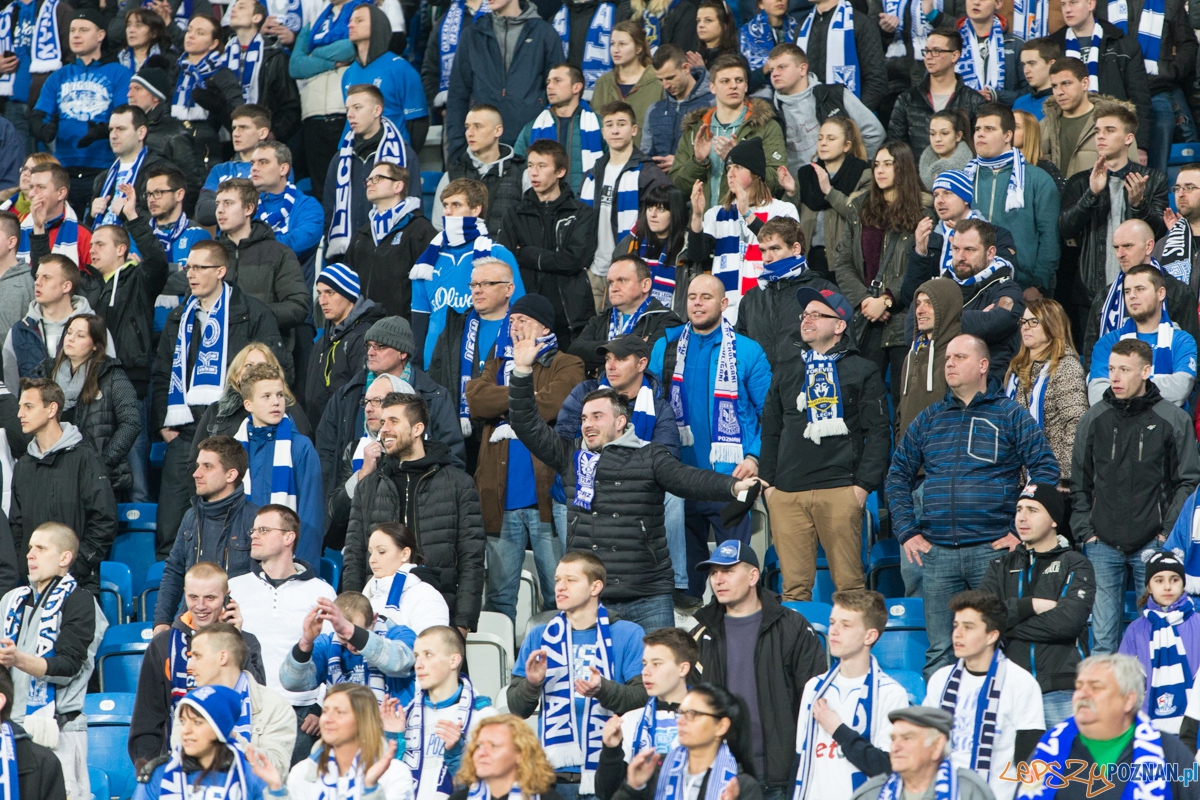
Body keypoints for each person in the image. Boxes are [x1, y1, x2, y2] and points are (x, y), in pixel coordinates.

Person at [509, 334, 758, 632]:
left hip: (648, 596)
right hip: (592, 599)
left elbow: (687, 478)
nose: (588, 423)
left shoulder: (650, 456)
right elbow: (526, 424)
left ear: (619, 423)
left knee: (657, 675)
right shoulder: (570, 456)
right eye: (585, 418)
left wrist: (732, 487)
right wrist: (522, 372)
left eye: (597, 416)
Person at [886, 333, 1059, 674]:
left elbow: (1045, 469)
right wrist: (907, 531)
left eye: (959, 357)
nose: (949, 363)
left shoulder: (1010, 414)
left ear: (982, 365)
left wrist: (1018, 531)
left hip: (993, 552)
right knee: (940, 651)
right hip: (938, 555)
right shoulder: (930, 417)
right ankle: (939, 727)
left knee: (998, 644)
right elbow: (897, 475)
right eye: (947, 358)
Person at [152, 240, 288, 558]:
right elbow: (161, 373)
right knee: (172, 529)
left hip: (232, 429)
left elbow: (276, 372)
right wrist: (165, 423)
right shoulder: (178, 318)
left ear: (221, 271)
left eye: (200, 267)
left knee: (232, 526)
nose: (191, 273)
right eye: (188, 267)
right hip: (184, 431)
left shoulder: (252, 313)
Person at [1071, 338, 1200, 654]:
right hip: (1101, 544)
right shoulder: (1093, 418)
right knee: (1102, 641)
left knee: (1160, 635)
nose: (1114, 377)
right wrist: (1086, 532)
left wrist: (1166, 533)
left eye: (1124, 370)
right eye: (1111, 369)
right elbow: (1079, 483)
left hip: (1153, 544)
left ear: (1146, 371)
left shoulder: (1173, 419)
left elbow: (1187, 481)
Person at [760, 287, 889, 601]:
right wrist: (770, 487)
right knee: (792, 591)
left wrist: (862, 487)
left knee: (851, 589)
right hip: (788, 494)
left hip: (840, 490)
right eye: (805, 315)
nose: (807, 320)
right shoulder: (787, 370)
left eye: (818, 315)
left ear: (840, 325)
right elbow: (771, 430)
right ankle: (798, 651)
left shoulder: (862, 370)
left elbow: (879, 431)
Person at [648, 273, 771, 595]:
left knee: (732, 575)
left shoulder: (748, 350)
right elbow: (651, 406)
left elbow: (770, 415)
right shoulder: (666, 346)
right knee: (684, 585)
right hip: (679, 479)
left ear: (724, 303)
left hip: (731, 479)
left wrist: (754, 456)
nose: (698, 303)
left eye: (706, 297)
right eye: (692, 297)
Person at [467, 294, 584, 622]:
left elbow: (554, 405)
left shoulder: (566, 362)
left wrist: (507, 401)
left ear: (544, 326)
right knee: (500, 598)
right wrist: (524, 395)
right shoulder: (497, 363)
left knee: (558, 594)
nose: (514, 326)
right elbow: (476, 401)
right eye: (512, 320)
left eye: (523, 320)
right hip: (500, 501)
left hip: (547, 501)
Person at [552, 335, 686, 602]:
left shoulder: (659, 407)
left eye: (620, 359)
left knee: (674, 495)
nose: (610, 366)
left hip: (633, 490)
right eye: (608, 359)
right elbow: (565, 442)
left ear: (641, 364)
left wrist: (624, 468)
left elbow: (667, 459)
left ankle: (678, 586)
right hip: (585, 483)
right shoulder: (584, 393)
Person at [689, 541, 827, 798]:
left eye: (728, 571)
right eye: (713, 573)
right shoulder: (701, 633)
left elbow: (813, 699)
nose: (718, 580)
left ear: (753, 576)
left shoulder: (793, 628)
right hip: (720, 772)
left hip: (779, 773)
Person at [506, 551, 648, 796]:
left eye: (571, 580)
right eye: (558, 580)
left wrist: (604, 689)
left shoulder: (628, 633)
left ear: (595, 587)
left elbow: (643, 697)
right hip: (553, 779)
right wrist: (532, 684)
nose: (560, 587)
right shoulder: (539, 637)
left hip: (609, 776)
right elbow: (518, 709)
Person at [344, 392, 486, 634]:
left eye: (394, 421)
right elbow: (355, 555)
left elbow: (472, 558)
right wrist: (351, 618)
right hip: (377, 621)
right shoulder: (368, 486)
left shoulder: (458, 483)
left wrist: (462, 624)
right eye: (383, 421)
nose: (384, 428)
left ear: (418, 428)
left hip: (440, 617)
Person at [0, 521, 106, 799]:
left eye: (41, 548)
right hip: (10, 731)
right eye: (30, 547)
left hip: (60, 732)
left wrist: (17, 659)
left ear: (64, 558)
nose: (30, 554)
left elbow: (67, 666)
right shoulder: (11, 601)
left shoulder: (81, 601)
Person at [315, 315, 467, 507]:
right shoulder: (347, 394)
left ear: (402, 353)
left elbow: (452, 456)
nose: (371, 352)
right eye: (369, 346)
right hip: (358, 508)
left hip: (422, 504)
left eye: (380, 346)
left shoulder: (434, 395)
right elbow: (326, 454)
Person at [228, 504, 339, 764]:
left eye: (264, 530)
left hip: (301, 715)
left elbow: (335, 656)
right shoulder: (234, 587)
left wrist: (321, 707)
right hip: (247, 710)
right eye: (253, 530)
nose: (253, 536)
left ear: (289, 537)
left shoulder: (320, 593)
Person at [979, 482, 1094, 729]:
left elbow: (1066, 623)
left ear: (1054, 520)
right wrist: (1029, 605)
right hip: (1009, 690)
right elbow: (982, 621)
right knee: (1014, 768)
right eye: (1019, 509)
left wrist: (1004, 625)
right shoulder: (999, 566)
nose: (1022, 517)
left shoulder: (1076, 563)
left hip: (1061, 690)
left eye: (1033, 510)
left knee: (1065, 766)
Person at [132, 562, 269, 767]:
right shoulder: (163, 645)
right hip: (177, 766)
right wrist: (149, 770)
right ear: (185, 593)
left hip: (238, 765)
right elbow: (148, 717)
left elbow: (257, 697)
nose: (200, 606)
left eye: (210, 598)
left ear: (227, 596)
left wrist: (235, 639)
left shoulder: (247, 642)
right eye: (193, 597)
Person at [1019, 654, 1200, 800]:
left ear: (1128, 700)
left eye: (1096, 688)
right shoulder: (1048, 749)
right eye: (1079, 687)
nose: (1083, 694)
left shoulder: (1169, 752)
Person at [922, 591, 1045, 800]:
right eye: (955, 625)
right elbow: (924, 741)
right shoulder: (940, 679)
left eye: (968, 627)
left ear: (992, 635)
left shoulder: (1021, 683)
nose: (957, 634)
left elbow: (1030, 759)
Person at [792, 590, 911, 799]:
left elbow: (886, 766)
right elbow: (800, 759)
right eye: (832, 623)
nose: (834, 631)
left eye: (845, 625)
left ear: (870, 635)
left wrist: (838, 730)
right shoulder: (814, 687)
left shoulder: (891, 694)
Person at [832, 141, 928, 399]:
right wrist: (865, 301)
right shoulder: (859, 207)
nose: (880, 171)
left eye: (888, 164)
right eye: (877, 164)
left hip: (905, 320)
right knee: (863, 402)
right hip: (867, 320)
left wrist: (886, 300)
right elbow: (842, 261)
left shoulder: (924, 211)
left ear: (904, 168)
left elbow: (920, 266)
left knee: (902, 403)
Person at [1062, 102, 1170, 328]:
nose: (1100, 137)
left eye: (1109, 130)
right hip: (1091, 293)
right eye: (1097, 131)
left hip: (1140, 291)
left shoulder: (1153, 179)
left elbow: (1159, 232)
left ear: (1128, 138)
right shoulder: (1080, 182)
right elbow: (1065, 229)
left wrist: (1139, 204)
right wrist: (1091, 194)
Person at [8, 379, 116, 595]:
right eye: (20, 407)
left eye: (28, 406)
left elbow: (104, 520)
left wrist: (73, 569)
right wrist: (28, 567)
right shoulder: (23, 466)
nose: (20, 414)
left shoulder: (85, 458)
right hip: (34, 587)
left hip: (78, 586)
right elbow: (17, 526)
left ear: (52, 409)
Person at [410, 178, 525, 368]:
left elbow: (519, 311)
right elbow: (420, 320)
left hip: (483, 361)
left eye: (456, 205)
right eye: (445, 205)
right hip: (435, 363)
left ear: (476, 209)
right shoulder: (426, 262)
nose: (447, 211)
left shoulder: (498, 255)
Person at [29, 9, 133, 215]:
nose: (76, 35)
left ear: (101, 35)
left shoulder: (119, 73)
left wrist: (102, 132)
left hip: (104, 167)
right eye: (73, 30)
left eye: (84, 30)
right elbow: (37, 114)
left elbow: (126, 115)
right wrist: (42, 129)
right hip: (63, 168)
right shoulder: (58, 76)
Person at [686, 139, 799, 322]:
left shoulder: (782, 210)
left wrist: (747, 214)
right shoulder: (716, 214)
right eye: (728, 168)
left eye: (737, 167)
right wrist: (697, 216)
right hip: (726, 313)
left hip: (767, 308)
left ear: (755, 173)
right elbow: (697, 255)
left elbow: (781, 248)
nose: (730, 174)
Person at [497, 139, 598, 343]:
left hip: (571, 318)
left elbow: (574, 261)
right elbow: (505, 262)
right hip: (526, 317)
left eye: (542, 166)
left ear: (560, 172)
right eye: (531, 166)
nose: (533, 173)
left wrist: (525, 253)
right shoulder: (514, 215)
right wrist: (554, 259)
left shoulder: (582, 214)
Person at [152, 436, 259, 627]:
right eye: (197, 465)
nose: (196, 473)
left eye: (207, 466)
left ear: (231, 475)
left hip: (236, 627)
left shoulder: (256, 520)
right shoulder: (190, 516)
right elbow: (174, 572)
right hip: (189, 623)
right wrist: (161, 622)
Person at [77, 197, 170, 411]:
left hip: (131, 383)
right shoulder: (86, 284)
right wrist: (39, 232)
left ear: (121, 249)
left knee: (132, 444)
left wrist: (132, 218)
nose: (92, 250)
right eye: (91, 245)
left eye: (100, 245)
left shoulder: (138, 279)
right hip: (90, 384)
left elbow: (157, 262)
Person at [444, 0, 562, 166]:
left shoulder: (545, 33)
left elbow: (558, 94)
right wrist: (457, 147)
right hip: (482, 150)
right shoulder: (472, 34)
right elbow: (458, 94)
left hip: (531, 147)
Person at [581, 101, 671, 312]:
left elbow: (662, 224)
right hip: (594, 270)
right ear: (602, 132)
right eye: (609, 124)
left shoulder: (649, 174)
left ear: (633, 130)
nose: (615, 129)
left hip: (632, 271)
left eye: (621, 123)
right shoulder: (592, 174)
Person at [249, 685, 414, 799]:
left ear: (363, 720)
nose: (328, 719)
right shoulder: (303, 772)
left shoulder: (394, 773)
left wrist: (370, 789)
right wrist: (277, 792)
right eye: (326, 711)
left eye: (340, 712)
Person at [965, 103, 1060, 301]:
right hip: (970, 285)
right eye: (977, 129)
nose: (980, 134)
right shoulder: (965, 178)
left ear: (1008, 136)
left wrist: (1039, 285)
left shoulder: (1037, 179)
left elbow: (1049, 237)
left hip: (1021, 287)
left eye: (989, 129)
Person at [34, 314, 139, 490]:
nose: (71, 339)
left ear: (95, 345)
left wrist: (102, 462)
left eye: (80, 335)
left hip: (97, 478)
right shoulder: (46, 372)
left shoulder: (112, 374)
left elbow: (131, 422)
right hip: (52, 473)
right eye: (69, 333)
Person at [233, 363, 323, 566]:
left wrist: (304, 570)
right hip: (241, 563)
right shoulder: (234, 449)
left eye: (280, 395)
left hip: (288, 565)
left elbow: (311, 517)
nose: (276, 402)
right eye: (266, 396)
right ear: (248, 404)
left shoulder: (301, 447)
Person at [1082, 218, 1200, 373]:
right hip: (1111, 390)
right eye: (1116, 247)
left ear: (1149, 246)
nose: (1120, 254)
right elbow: (1091, 357)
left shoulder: (1178, 293)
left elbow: (1193, 358)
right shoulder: (1105, 298)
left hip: (1166, 390)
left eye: (1127, 246)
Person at [179, 622, 295, 777]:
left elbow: (277, 771)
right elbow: (180, 765)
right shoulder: (190, 705)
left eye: (197, 656)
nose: (189, 665)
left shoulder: (275, 706)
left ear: (222, 657)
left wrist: (228, 735)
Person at [611, 684, 763, 800]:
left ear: (721, 726)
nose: (681, 721)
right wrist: (633, 787)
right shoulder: (657, 769)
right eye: (681, 713)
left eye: (692, 714)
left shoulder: (741, 786)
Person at [670, 55, 786, 206]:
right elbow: (676, 188)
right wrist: (698, 162)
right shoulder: (695, 129)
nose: (733, 86)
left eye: (739, 80)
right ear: (712, 87)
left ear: (746, 86)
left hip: (748, 222)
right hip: (704, 224)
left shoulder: (766, 127)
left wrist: (739, 161)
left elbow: (777, 182)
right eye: (725, 81)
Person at [1045, 0, 1153, 162]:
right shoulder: (1053, 47)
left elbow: (1140, 98)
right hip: (1068, 132)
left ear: (1090, 4)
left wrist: (1141, 145)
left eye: (1073, 3)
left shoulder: (1123, 44)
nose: (1067, 9)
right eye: (1063, 4)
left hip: (1114, 132)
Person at [595, 627, 699, 795]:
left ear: (683, 669)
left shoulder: (708, 719)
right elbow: (606, 793)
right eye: (644, 664)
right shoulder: (630, 721)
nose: (645, 672)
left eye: (656, 664)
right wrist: (611, 751)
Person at [322, 83, 421, 259]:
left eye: (357, 108)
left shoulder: (404, 156)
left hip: (389, 255)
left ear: (377, 111)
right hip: (347, 255)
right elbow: (330, 210)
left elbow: (413, 205)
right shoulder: (340, 159)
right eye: (347, 109)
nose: (350, 115)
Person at [214, 178, 310, 354]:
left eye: (228, 203)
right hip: (217, 357)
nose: (220, 210)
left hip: (265, 357)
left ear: (249, 208)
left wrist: (250, 315)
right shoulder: (210, 255)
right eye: (218, 204)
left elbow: (298, 306)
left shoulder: (278, 253)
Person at [402, 626, 497, 800]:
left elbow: (492, 788)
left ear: (454, 661)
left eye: (428, 654)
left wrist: (457, 753)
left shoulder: (484, 717)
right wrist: (393, 736)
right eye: (416, 656)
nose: (418, 664)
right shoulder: (404, 716)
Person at [927, 218, 1026, 383]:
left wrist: (936, 321)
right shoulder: (939, 286)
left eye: (970, 250)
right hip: (939, 384)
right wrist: (976, 317)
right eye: (956, 249)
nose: (961, 256)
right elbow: (911, 329)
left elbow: (995, 322)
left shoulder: (1007, 289)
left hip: (987, 386)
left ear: (990, 253)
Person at [1004, 300, 1089, 491]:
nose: (1026, 327)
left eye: (1033, 322)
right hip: (1014, 479)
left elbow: (1075, 422)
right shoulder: (1015, 370)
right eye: (1023, 322)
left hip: (1051, 479)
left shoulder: (1065, 367)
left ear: (1052, 324)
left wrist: (1065, 477)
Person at [133, 685, 274, 800]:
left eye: (197, 722)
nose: (185, 730)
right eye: (183, 721)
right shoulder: (159, 774)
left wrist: (277, 791)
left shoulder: (249, 775)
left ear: (220, 728)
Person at [1085, 263, 1197, 406]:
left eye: (1140, 289)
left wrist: (1124, 387)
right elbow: (1097, 396)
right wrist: (1146, 386)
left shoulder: (1182, 340)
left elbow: (1179, 389)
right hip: (1119, 425)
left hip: (1167, 426)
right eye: (1127, 291)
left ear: (1161, 293)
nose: (1132, 296)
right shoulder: (1107, 342)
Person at [733, 216, 837, 369]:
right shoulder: (751, 298)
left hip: (805, 387)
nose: (767, 258)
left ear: (795, 248)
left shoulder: (824, 292)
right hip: (760, 389)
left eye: (775, 249)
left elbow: (841, 347)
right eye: (763, 250)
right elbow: (740, 353)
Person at [280, 590, 419, 705]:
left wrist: (349, 631)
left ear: (374, 619)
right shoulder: (327, 645)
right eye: (344, 639)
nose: (352, 646)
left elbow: (400, 663)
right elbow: (291, 682)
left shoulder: (399, 634)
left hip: (393, 732)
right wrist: (305, 642)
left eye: (356, 636)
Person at [777, 116, 872, 280]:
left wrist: (829, 190)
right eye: (820, 138)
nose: (823, 143)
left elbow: (858, 215)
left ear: (846, 146)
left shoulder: (863, 174)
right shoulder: (805, 174)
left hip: (844, 263)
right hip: (808, 260)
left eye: (831, 138)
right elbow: (786, 222)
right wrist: (791, 193)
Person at [767, 44, 884, 174]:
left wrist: (856, 170)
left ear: (802, 69)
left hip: (842, 187)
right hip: (796, 190)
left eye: (782, 67)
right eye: (771, 70)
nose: (775, 74)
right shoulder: (768, 112)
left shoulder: (834, 95)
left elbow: (874, 133)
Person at [1116, 552, 1200, 734]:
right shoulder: (1136, 629)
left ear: (1183, 584)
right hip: (1148, 726)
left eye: (1175, 579)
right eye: (1159, 580)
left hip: (1194, 726)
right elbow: (1125, 681)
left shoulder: (1198, 623)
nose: (1168, 587)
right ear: (1148, 586)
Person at [345, 162, 437, 319]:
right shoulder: (362, 234)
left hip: (402, 328)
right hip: (364, 327)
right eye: (368, 179)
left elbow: (430, 285)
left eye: (378, 178)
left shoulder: (420, 229)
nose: (369, 183)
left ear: (398, 186)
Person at [569, 254, 684, 374]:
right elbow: (575, 352)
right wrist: (624, 347)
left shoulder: (667, 320)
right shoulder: (600, 320)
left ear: (645, 285)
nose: (614, 288)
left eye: (622, 280)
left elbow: (647, 362)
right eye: (611, 282)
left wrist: (600, 368)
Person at [848, 707, 993, 800]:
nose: (895, 747)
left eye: (907, 738)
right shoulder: (871, 794)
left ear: (937, 746)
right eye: (893, 739)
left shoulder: (968, 791)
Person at [1, 256, 100, 391]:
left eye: (46, 277)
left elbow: (107, 379)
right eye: (37, 276)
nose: (37, 282)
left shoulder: (94, 328)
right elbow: (12, 386)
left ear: (66, 286)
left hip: (82, 410)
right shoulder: (19, 331)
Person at [306, 264, 386, 426]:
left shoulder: (365, 338)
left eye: (330, 293)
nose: (322, 301)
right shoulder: (322, 341)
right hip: (320, 435)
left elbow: (363, 395)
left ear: (349, 295)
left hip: (346, 434)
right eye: (320, 293)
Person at [886, 28, 986, 159]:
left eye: (936, 51)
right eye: (927, 51)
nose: (928, 56)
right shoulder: (907, 99)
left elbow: (982, 146)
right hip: (917, 176)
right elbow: (896, 147)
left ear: (955, 56)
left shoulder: (974, 101)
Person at [433, 105, 527, 235]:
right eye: (467, 127)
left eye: (477, 126)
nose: (470, 133)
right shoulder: (452, 175)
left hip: (506, 254)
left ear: (497, 130)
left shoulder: (522, 173)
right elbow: (439, 225)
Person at [343, 4, 428, 145]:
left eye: (359, 21)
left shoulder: (401, 68)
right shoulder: (348, 74)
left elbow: (418, 121)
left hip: (394, 155)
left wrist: (405, 156)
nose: (350, 25)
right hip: (358, 156)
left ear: (377, 24)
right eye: (350, 21)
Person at [513, 64, 604, 196]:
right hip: (540, 208)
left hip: (585, 209)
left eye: (557, 80)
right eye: (548, 82)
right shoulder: (531, 128)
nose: (550, 86)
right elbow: (516, 170)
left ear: (576, 87)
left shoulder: (599, 125)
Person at [169, 15, 242, 178]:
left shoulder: (222, 74)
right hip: (172, 147)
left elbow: (239, 117)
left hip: (206, 153)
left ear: (214, 43)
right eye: (189, 30)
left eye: (200, 33)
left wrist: (217, 106)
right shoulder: (174, 71)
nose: (191, 35)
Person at [222, 0, 301, 145]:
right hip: (230, 138)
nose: (233, 9)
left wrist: (273, 134)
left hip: (266, 142)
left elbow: (291, 106)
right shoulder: (222, 58)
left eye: (241, 6)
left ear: (256, 18)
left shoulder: (274, 57)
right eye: (234, 6)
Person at [613, 185, 694, 317]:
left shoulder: (687, 247)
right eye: (650, 208)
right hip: (630, 322)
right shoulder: (631, 243)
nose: (653, 214)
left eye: (661, 209)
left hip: (671, 326)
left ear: (675, 213)